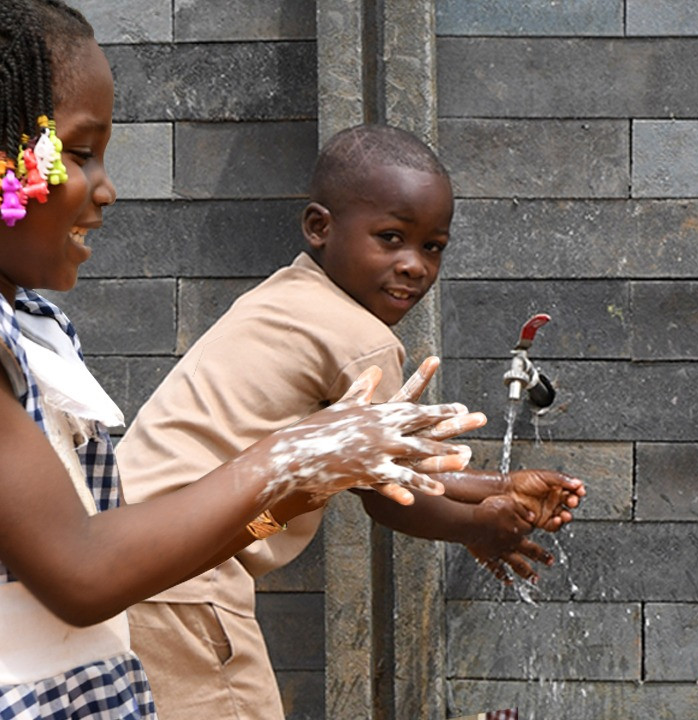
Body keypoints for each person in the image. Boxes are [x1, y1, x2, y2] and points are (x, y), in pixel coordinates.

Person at [0, 2, 479, 717]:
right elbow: (82, 569)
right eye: (79, 153)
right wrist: (290, 455)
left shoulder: (22, 329)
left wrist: (303, 480)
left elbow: (214, 540)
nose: (105, 188)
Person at [114, 123, 587, 720]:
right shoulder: (360, 341)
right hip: (189, 581)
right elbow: (391, 496)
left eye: (432, 247)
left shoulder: (285, 297)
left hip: (137, 556)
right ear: (319, 227)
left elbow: (381, 471)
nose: (414, 266)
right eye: (391, 238)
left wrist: (497, 489)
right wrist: (479, 525)